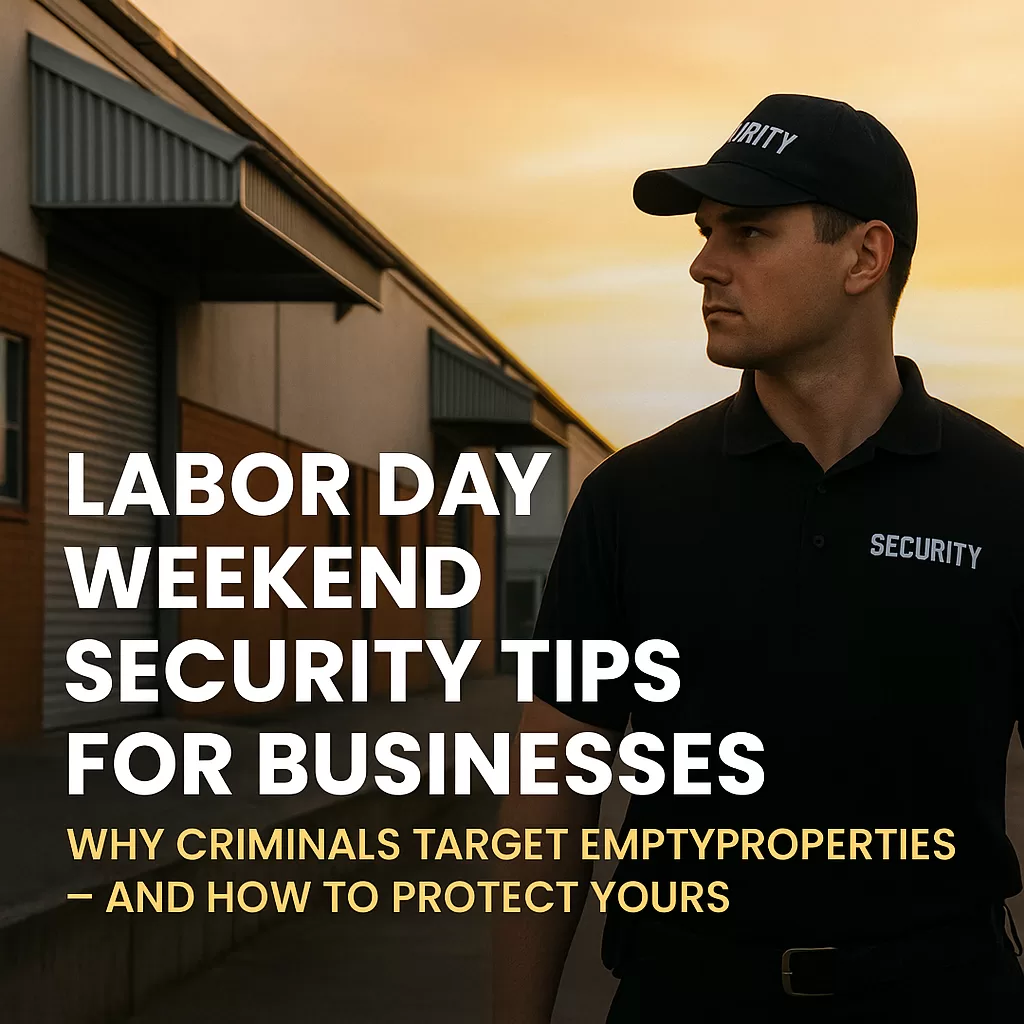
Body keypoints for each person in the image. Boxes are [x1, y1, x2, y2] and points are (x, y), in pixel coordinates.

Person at [491, 93, 1024, 1022]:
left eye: (748, 232)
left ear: (866, 255)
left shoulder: (1002, 498)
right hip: (685, 996)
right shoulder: (633, 498)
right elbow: (550, 793)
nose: (704, 263)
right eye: (704, 232)